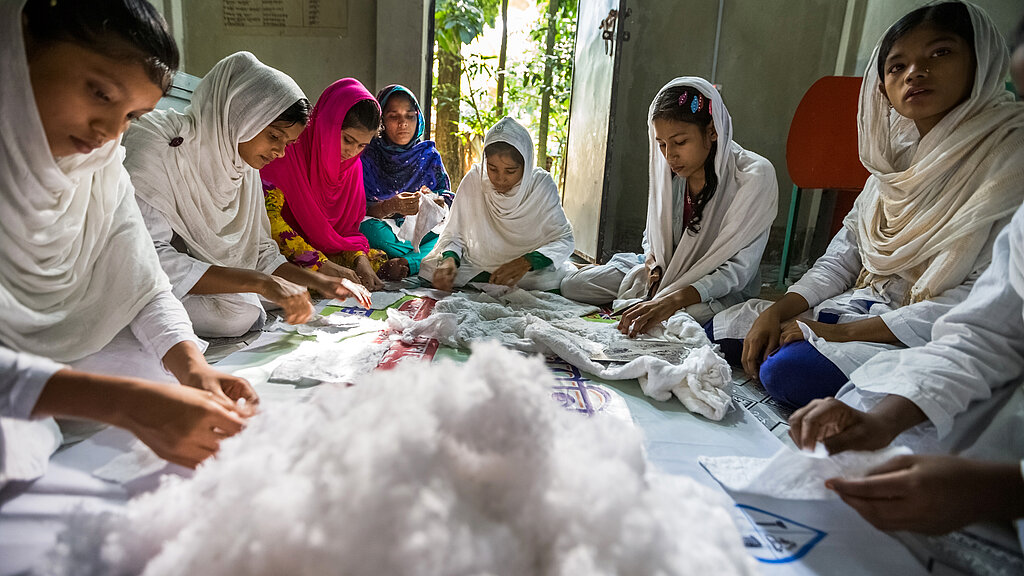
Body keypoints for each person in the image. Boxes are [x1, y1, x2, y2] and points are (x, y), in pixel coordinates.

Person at [709, 1, 1024, 409]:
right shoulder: (894, 161)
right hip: (864, 306)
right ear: (882, 87)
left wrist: (838, 333)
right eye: (897, 66)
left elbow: (983, 302)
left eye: (941, 52)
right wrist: (780, 310)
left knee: (789, 371)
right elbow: (842, 259)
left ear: (981, 61)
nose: (915, 73)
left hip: (932, 330)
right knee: (720, 332)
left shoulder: (1010, 159)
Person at [0, 0, 255, 477]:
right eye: (100, 93)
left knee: (156, 367)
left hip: (55, 347)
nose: (109, 132)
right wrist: (125, 403)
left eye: (132, 116)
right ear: (22, 44)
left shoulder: (99, 166)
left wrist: (194, 369)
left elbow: (144, 281)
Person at [124, 52, 369, 340]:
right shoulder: (162, 145)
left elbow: (260, 250)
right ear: (242, 115)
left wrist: (321, 281)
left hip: (199, 277)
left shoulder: (241, 164)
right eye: (274, 136)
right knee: (237, 313)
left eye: (288, 143)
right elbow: (148, 258)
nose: (280, 153)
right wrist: (260, 283)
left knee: (290, 293)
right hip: (143, 279)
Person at [560, 78, 777, 337]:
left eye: (680, 142)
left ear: (712, 131)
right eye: (661, 144)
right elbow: (651, 235)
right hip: (665, 274)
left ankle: (659, 304)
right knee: (574, 285)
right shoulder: (670, 176)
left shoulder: (753, 176)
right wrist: (652, 262)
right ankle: (653, 300)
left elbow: (738, 271)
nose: (669, 155)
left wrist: (672, 300)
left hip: (714, 289)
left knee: (684, 317)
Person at [262, 78, 405, 292]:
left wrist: (359, 260)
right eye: (347, 140)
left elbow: (346, 232)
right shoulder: (286, 152)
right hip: (282, 252)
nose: (352, 152)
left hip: (326, 250)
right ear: (327, 124)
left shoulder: (352, 168)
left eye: (361, 145)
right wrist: (322, 264)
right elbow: (270, 223)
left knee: (369, 260)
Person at [419, 116, 575, 292]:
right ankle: (494, 278)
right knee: (430, 269)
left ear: (526, 165)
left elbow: (564, 239)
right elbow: (454, 234)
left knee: (550, 279)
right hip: (478, 264)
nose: (500, 179)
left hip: (528, 271)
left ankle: (492, 280)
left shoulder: (540, 185)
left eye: (510, 171)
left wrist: (527, 262)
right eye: (492, 169)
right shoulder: (475, 179)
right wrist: (449, 261)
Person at [360, 84, 452, 278]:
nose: (403, 123)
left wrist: (435, 201)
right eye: (394, 116)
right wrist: (389, 206)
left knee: (449, 231)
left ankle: (406, 262)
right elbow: (358, 208)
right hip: (385, 230)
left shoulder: (429, 156)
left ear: (418, 118)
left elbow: (447, 200)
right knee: (368, 231)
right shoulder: (367, 155)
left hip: (421, 230)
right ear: (381, 120)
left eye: (410, 116)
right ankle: (420, 259)